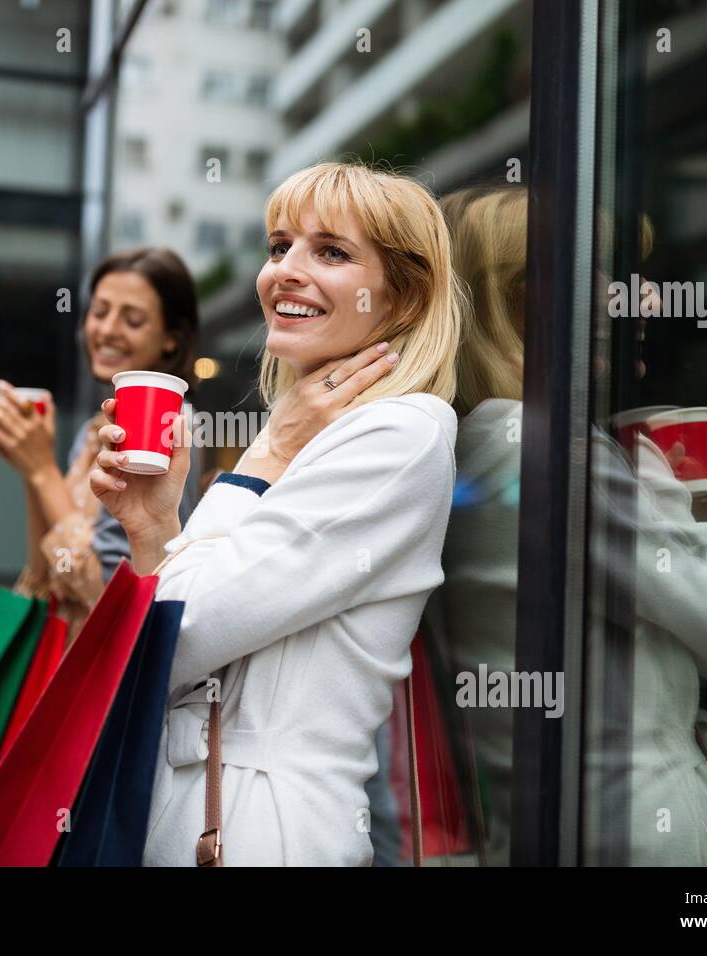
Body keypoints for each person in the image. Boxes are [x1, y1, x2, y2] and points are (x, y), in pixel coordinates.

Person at [90, 162, 466, 866]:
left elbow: (180, 632)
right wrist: (152, 526)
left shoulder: (402, 433)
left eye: (330, 252)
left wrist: (264, 458)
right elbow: (161, 640)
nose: (286, 270)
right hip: (205, 811)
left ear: (405, 298)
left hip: (265, 829)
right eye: (278, 246)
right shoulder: (308, 431)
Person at [433, 184, 707, 866]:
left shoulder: (472, 440)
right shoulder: (550, 448)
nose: (637, 299)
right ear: (520, 300)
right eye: (596, 273)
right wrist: (669, 512)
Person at [0, 248, 201, 642]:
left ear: (171, 339)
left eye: (132, 319)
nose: (107, 329)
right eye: (100, 311)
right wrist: (31, 466)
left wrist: (42, 469)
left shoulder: (172, 432)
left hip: (108, 670)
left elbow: (103, 596)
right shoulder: (93, 432)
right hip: (65, 656)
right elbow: (44, 573)